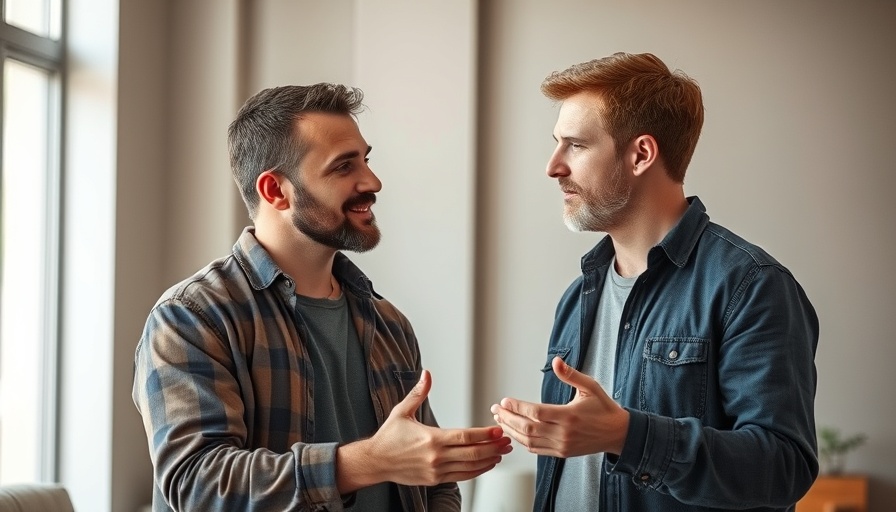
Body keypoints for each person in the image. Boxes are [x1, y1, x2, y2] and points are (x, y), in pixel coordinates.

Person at [132, 83, 512, 511]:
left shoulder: (388, 323)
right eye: (343, 167)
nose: (372, 181)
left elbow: (433, 483)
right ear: (276, 191)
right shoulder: (192, 317)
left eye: (365, 160)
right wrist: (369, 461)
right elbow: (199, 486)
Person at [490, 52, 819, 511]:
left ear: (641, 154)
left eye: (575, 145)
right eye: (556, 144)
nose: (553, 166)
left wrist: (628, 436)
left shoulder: (751, 286)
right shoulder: (577, 298)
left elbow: (784, 467)